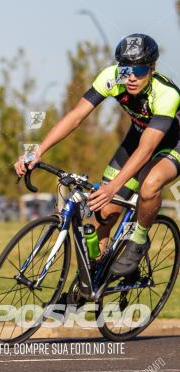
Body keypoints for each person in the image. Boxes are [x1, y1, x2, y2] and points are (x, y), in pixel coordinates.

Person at [14, 34, 180, 276]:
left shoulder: (166, 94)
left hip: (172, 142)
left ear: (152, 68)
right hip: (137, 136)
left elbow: (146, 150)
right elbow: (76, 116)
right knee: (103, 215)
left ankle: (139, 240)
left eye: (140, 69)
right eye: (126, 69)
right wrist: (37, 151)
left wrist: (113, 187)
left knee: (149, 185)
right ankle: (91, 280)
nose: (131, 77)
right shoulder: (111, 77)